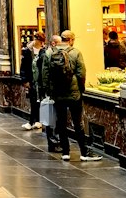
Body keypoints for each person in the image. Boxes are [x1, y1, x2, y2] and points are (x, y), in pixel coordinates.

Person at [42, 28, 100, 162]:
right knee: (78, 123)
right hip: (74, 94)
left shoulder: (50, 53)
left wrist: (48, 90)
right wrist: (81, 88)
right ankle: (84, 153)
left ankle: (66, 152)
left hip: (57, 94)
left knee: (61, 123)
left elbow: (45, 74)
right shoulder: (76, 52)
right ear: (72, 40)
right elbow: (81, 73)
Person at [19, 33, 45, 131]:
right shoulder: (27, 51)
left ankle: (37, 121)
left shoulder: (44, 51)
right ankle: (32, 121)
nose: (39, 42)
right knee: (33, 101)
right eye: (38, 39)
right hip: (32, 80)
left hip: (41, 81)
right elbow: (23, 67)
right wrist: (24, 80)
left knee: (39, 101)